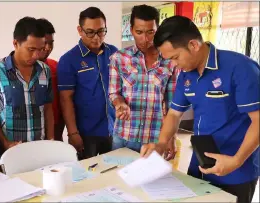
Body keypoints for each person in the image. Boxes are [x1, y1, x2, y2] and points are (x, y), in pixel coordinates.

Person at [140, 16, 259, 203]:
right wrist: (162, 144)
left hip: (236, 168)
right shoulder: (186, 75)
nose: (174, 65)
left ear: (194, 45)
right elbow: (174, 113)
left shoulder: (240, 68)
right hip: (200, 164)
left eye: (175, 57)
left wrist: (236, 160)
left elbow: (258, 121)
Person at [109, 5, 179, 156]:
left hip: (155, 139)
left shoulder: (170, 61)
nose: (145, 39)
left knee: (152, 179)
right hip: (124, 135)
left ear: (157, 30)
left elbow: (172, 105)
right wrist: (119, 104)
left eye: (150, 32)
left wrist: (171, 137)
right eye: (139, 32)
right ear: (131, 29)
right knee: (119, 178)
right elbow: (114, 93)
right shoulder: (119, 58)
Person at [0, 17, 54, 152]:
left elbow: (48, 108)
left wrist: (50, 140)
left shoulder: (45, 70)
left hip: (41, 148)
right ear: (15, 43)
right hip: (11, 149)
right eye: (31, 49)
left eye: (40, 49)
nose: (36, 55)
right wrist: (4, 142)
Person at [57, 7, 118, 159]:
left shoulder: (114, 53)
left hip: (114, 129)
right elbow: (66, 99)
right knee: (87, 174)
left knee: (115, 171)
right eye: (90, 32)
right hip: (86, 133)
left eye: (101, 31)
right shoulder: (69, 60)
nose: (96, 37)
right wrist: (72, 133)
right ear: (80, 30)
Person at [37, 18, 65, 141]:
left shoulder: (56, 66)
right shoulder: (21, 71)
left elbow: (64, 100)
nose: (48, 48)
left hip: (55, 128)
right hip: (32, 130)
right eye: (44, 43)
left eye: (51, 43)